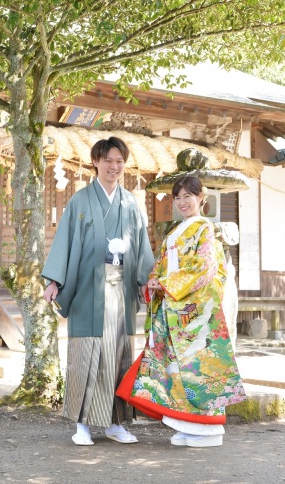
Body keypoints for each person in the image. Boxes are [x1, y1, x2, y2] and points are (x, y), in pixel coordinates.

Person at [116, 175, 246, 447]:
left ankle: (208, 430)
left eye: (188, 196)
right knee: (175, 369)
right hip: (173, 307)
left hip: (194, 312)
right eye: (177, 197)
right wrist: (155, 280)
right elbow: (162, 264)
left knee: (198, 369)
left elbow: (205, 267)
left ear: (201, 198)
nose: (182, 202)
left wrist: (165, 283)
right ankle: (187, 426)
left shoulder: (204, 228)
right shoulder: (176, 231)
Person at [42, 136, 155, 446]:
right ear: (95, 162)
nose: (114, 167)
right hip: (88, 289)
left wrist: (144, 280)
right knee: (86, 353)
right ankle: (82, 425)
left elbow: (141, 245)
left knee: (119, 354)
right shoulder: (80, 201)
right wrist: (54, 281)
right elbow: (65, 242)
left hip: (121, 289)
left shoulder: (130, 203)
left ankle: (116, 423)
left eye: (119, 161)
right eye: (108, 161)